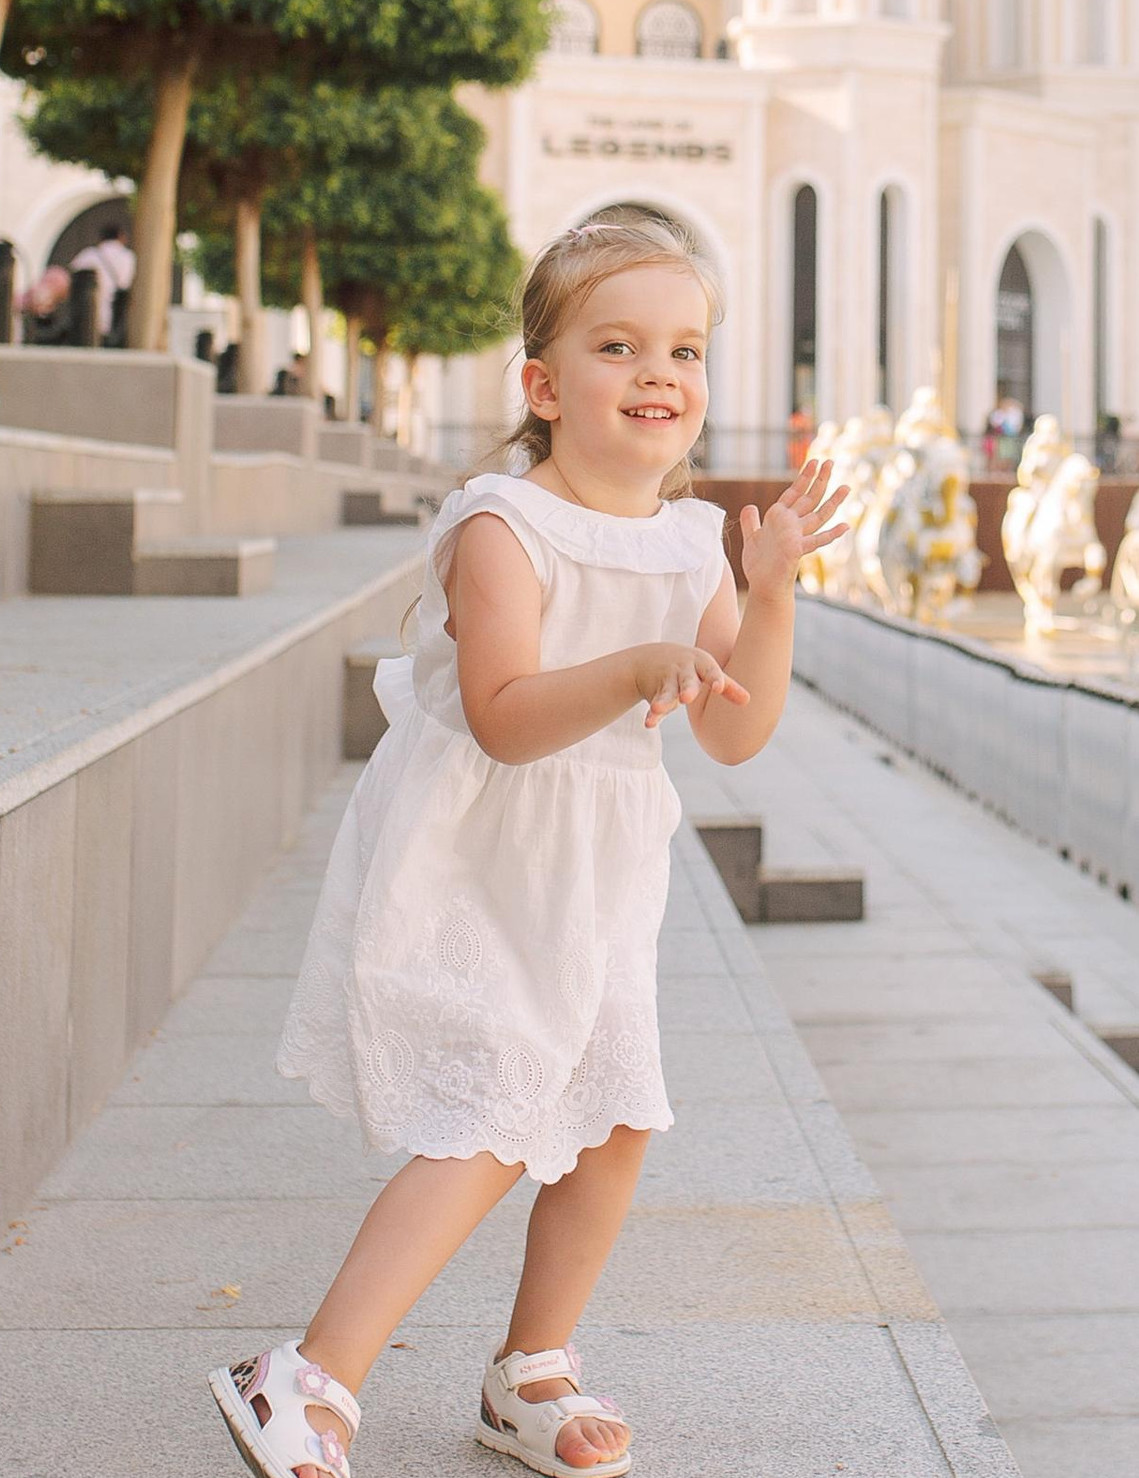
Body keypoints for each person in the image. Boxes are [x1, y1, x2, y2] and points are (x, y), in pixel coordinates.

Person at [214, 208, 847, 1478]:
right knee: (497, 1114)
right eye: (619, 345)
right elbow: (504, 720)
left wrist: (766, 593)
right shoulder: (500, 522)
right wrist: (630, 670)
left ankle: (530, 1372)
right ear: (546, 385)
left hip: (599, 877)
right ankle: (307, 1375)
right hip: (477, 859)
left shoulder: (686, 541)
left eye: (684, 348)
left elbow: (736, 733)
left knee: (613, 1119)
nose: (659, 372)